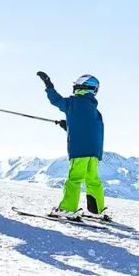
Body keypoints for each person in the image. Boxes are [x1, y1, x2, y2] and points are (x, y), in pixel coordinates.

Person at [36, 71, 109, 221]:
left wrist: (48, 85)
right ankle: (97, 211)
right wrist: (69, 126)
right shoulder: (94, 109)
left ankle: (68, 209)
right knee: (92, 179)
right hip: (94, 152)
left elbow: (56, 100)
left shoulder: (74, 102)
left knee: (74, 179)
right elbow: (89, 127)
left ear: (80, 87)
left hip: (80, 150)